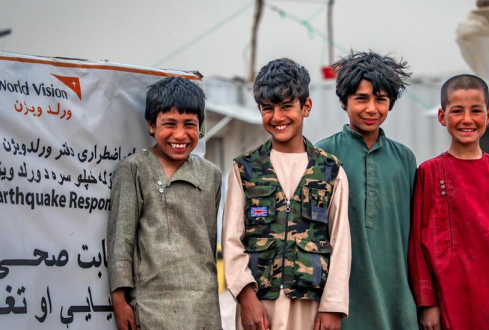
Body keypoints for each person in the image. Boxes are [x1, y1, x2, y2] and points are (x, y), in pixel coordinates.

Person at [222, 58, 351, 330]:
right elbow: (232, 240)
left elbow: (341, 245)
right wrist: (246, 297)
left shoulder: (330, 171)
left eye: (286, 106)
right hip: (259, 305)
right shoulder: (244, 169)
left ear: (306, 107)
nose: (277, 117)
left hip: (311, 306)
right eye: (268, 109)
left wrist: (332, 307)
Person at [408, 74, 489, 329]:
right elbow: (417, 245)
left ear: (488, 116)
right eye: (457, 111)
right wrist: (427, 303)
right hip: (450, 298)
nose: (467, 119)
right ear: (443, 117)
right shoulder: (429, 173)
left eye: (475, 111)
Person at [107, 76, 223, 330]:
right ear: (151, 125)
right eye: (169, 124)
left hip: (203, 307)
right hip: (150, 306)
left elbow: (208, 243)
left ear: (200, 128)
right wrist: (119, 299)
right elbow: (120, 241)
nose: (180, 134)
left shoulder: (211, 175)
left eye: (189, 125)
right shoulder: (134, 170)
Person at [315, 51, 419, 330]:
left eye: (380, 99)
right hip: (343, 303)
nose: (371, 108)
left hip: (398, 298)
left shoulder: (405, 159)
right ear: (343, 101)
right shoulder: (323, 155)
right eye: (361, 98)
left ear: (391, 104)